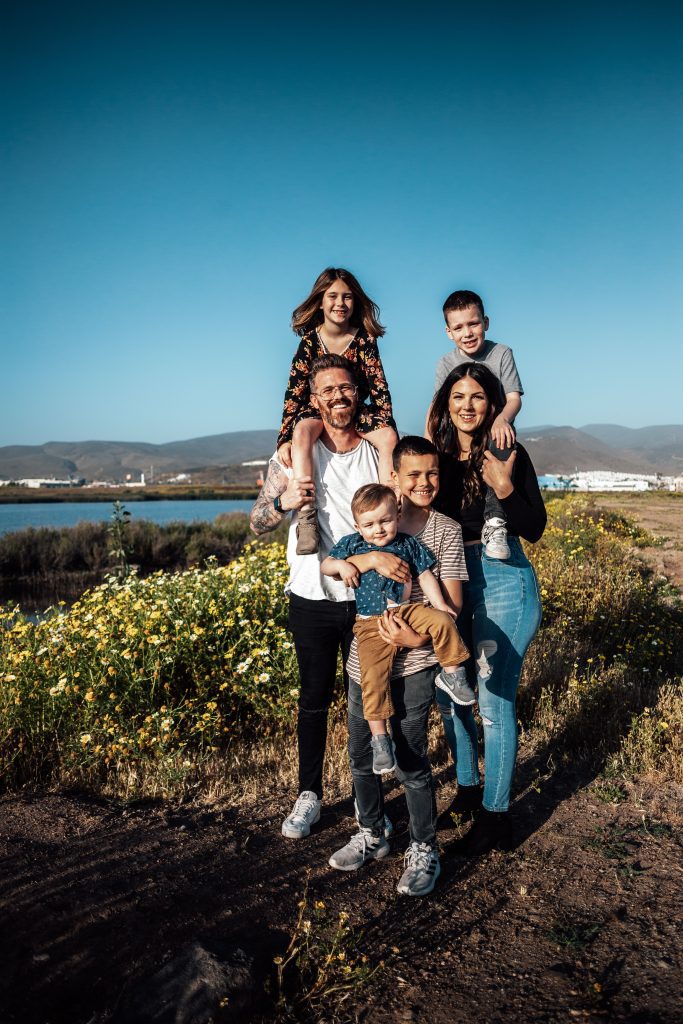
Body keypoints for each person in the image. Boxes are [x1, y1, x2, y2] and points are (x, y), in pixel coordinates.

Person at [250, 354, 399, 841]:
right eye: (328, 390)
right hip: (312, 595)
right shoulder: (293, 456)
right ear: (314, 400)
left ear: (358, 394)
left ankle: (367, 802)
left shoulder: (376, 453)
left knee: (367, 701)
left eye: (346, 388)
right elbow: (257, 522)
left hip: (367, 599)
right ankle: (308, 794)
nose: (339, 396)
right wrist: (282, 501)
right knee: (314, 700)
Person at [328, 437, 469, 896]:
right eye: (413, 474)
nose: (424, 482)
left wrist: (415, 637)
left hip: (417, 660)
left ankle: (424, 846)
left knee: (410, 757)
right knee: (362, 753)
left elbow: (452, 603)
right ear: (394, 478)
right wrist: (367, 557)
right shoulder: (368, 528)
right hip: (363, 658)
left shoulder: (442, 530)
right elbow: (331, 566)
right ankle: (373, 832)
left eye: (432, 474)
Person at [428, 363, 546, 855]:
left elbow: (534, 525)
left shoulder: (509, 452)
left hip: (503, 579)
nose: (467, 406)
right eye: (458, 396)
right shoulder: (435, 457)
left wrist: (501, 483)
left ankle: (497, 817)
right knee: (450, 692)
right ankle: (469, 790)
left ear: (493, 404)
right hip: (450, 577)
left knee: (494, 704)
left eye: (478, 396)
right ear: (445, 403)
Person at [321, 483, 472, 775]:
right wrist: (343, 567)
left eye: (385, 521)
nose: (378, 529)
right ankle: (380, 738)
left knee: (443, 621)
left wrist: (441, 605)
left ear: (398, 517)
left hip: (408, 611)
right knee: (373, 678)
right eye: (369, 524)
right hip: (370, 622)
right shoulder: (352, 544)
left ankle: (453, 674)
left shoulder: (407, 543)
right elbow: (326, 565)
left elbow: (425, 575)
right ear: (357, 525)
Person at [276, 268, 398, 556]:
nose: (340, 303)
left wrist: (385, 424)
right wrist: (283, 438)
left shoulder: (365, 338)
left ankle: (392, 505)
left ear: (355, 302)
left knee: (389, 437)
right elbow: (294, 392)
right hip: (317, 409)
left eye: (347, 297)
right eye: (332, 296)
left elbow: (379, 386)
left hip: (357, 409)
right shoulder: (309, 341)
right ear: (320, 301)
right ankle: (307, 516)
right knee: (303, 431)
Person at [428, 290, 524, 561]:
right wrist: (427, 440)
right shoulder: (445, 363)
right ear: (449, 332)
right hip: (459, 435)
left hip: (494, 433)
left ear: (486, 322)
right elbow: (437, 406)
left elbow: (514, 398)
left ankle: (495, 522)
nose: (467, 332)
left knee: (501, 441)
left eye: (473, 324)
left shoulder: (502, 353)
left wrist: (502, 418)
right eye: (459, 327)